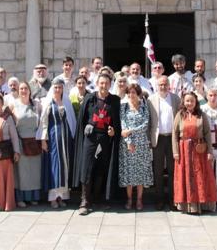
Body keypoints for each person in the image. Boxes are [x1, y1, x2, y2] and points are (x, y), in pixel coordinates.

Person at [72, 73, 121, 215]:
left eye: (106, 83)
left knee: (102, 167)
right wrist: (88, 124)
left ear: (110, 84)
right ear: (97, 84)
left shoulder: (115, 100)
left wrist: (114, 131)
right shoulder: (89, 98)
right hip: (91, 138)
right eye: (101, 83)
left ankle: (98, 198)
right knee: (86, 167)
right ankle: (85, 200)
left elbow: (117, 122)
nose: (104, 86)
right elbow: (83, 118)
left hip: (106, 138)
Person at [172, 92, 217, 214]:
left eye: (192, 101)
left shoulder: (201, 115)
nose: (189, 103)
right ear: (184, 102)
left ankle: (202, 205)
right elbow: (175, 134)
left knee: (200, 177)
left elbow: (207, 134)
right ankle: (187, 205)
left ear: (195, 102)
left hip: (199, 150)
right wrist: (175, 152)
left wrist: (209, 151)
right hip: (183, 150)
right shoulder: (179, 115)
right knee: (185, 177)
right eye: (187, 101)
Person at [40, 78, 77, 208]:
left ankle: (62, 196)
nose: (58, 90)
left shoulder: (66, 101)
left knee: (65, 165)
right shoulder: (48, 102)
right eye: (55, 87)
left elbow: (71, 119)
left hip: (65, 139)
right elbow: (44, 122)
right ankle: (53, 197)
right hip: (53, 138)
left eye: (60, 87)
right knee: (55, 165)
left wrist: (73, 136)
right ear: (52, 88)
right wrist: (43, 140)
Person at [148, 75, 181, 211]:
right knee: (158, 171)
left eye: (165, 84)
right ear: (157, 86)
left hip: (172, 138)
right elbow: (149, 120)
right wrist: (149, 139)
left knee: (173, 170)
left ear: (169, 85)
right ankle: (159, 200)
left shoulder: (175, 99)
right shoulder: (151, 100)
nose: (163, 87)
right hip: (158, 139)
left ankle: (173, 199)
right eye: (160, 85)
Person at [119, 84, 153, 211]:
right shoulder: (124, 107)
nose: (130, 95)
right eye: (128, 93)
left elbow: (145, 125)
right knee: (129, 174)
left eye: (133, 92)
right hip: (127, 145)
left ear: (138, 94)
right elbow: (123, 127)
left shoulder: (144, 107)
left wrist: (130, 131)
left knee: (140, 173)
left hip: (142, 144)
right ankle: (129, 199)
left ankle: (139, 200)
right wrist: (128, 141)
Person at [12, 82, 42, 207]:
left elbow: (42, 122)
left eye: (25, 88)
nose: (23, 91)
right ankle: (21, 198)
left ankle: (34, 197)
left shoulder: (36, 104)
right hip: (20, 141)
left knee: (35, 171)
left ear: (30, 91)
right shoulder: (13, 105)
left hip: (34, 141)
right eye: (21, 89)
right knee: (21, 172)